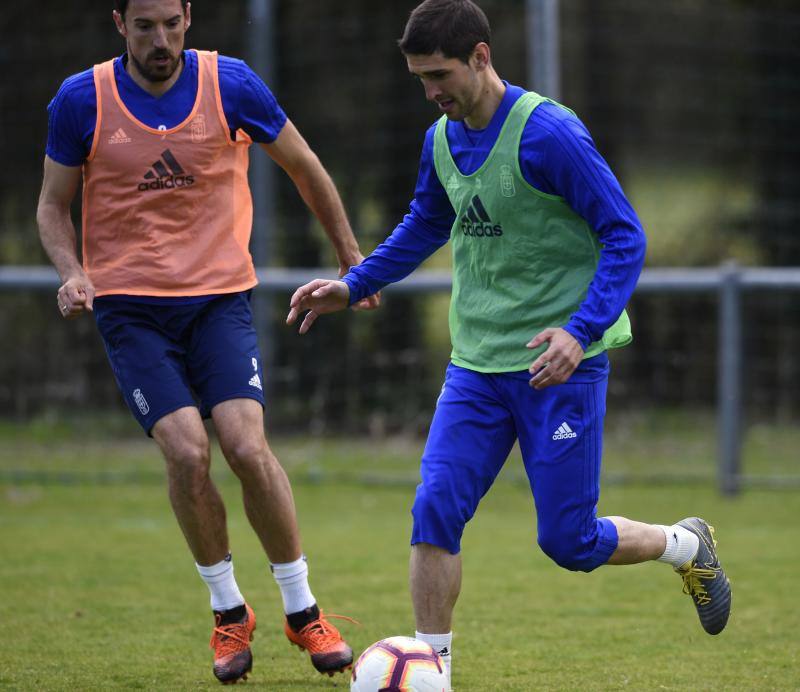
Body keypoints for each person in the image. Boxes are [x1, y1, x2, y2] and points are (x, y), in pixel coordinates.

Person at [287, 0, 732, 688]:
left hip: (559, 370)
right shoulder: (441, 137)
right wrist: (356, 283)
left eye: (440, 75)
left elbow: (625, 235)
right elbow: (426, 222)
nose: (432, 92)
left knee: (569, 542)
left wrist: (579, 333)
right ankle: (433, 671)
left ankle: (684, 545)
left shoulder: (548, 134)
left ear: (481, 57)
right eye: (419, 80)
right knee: (435, 508)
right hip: (476, 367)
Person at [36, 0, 376, 685]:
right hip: (130, 310)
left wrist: (353, 263)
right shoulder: (82, 99)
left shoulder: (232, 85)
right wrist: (72, 273)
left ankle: (301, 609)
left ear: (188, 17)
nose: (159, 40)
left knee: (247, 446)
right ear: (118, 23)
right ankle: (228, 611)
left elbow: (306, 167)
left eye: (170, 23)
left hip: (219, 300)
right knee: (188, 451)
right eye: (143, 27)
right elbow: (51, 205)